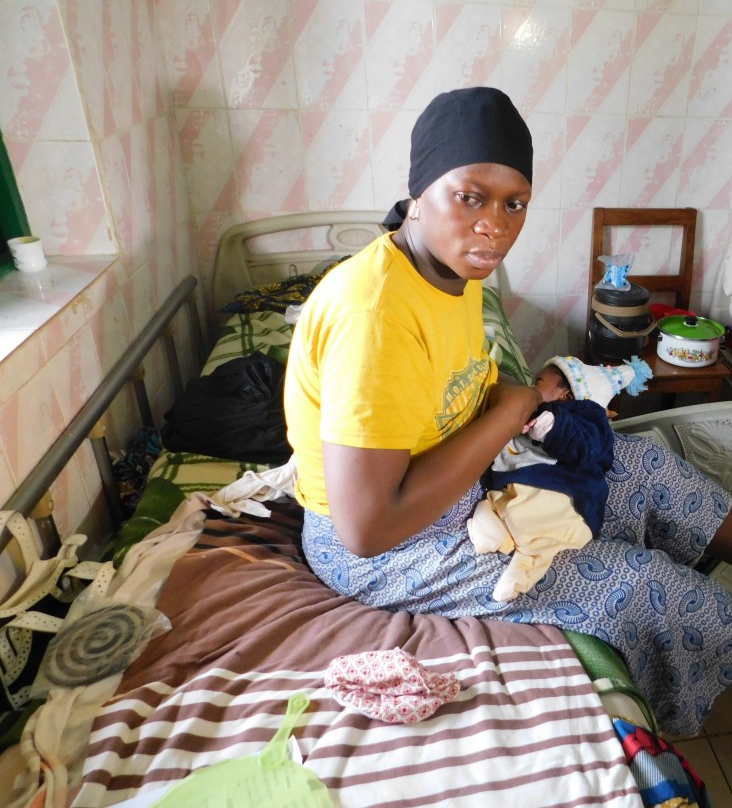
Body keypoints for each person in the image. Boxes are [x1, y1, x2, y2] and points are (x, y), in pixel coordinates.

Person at [283, 86, 732, 736]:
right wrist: (512, 407)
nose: (494, 223)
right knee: (640, 586)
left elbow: (463, 382)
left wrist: (528, 394)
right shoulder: (375, 313)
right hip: (385, 546)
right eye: (471, 196)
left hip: (458, 476)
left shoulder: (453, 274)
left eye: (513, 202)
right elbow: (366, 528)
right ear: (419, 194)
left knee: (646, 469)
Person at [467, 355, 652, 602]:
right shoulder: (532, 411)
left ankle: (524, 568)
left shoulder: (584, 414)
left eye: (538, 381)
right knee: (490, 506)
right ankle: (498, 534)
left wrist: (553, 426)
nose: (531, 387)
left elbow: (587, 449)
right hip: (518, 488)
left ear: (566, 395)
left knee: (543, 536)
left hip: (564, 497)